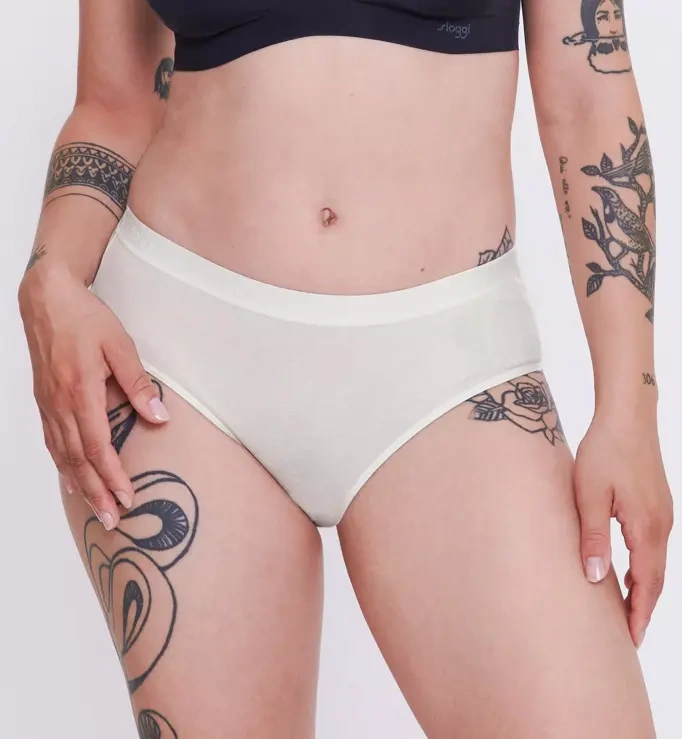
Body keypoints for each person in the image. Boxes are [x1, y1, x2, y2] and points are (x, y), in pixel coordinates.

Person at [17, 0, 672, 736]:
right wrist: (53, 274)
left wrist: (629, 408)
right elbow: (114, 103)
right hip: (176, 364)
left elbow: (588, 92)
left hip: (452, 368)